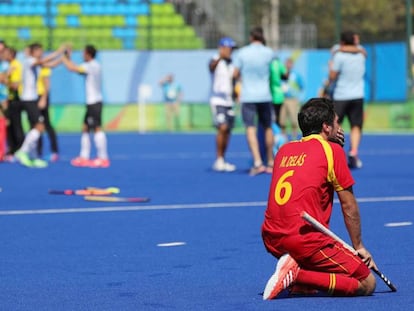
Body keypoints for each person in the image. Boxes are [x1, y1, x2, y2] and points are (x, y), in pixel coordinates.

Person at [261, 97, 377, 300]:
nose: (340, 128)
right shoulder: (332, 151)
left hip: (272, 239)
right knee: (367, 283)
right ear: (326, 127)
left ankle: (298, 269)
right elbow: (348, 205)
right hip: (303, 241)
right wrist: (358, 247)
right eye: (337, 122)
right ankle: (298, 275)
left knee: (327, 268)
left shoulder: (284, 151)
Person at [14, 43, 63, 168]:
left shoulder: (36, 62)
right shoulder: (29, 61)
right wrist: (58, 52)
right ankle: (23, 151)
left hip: (32, 98)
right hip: (29, 99)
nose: (40, 53)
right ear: (32, 52)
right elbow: (44, 61)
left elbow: (50, 64)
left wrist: (62, 59)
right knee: (40, 126)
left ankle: (34, 156)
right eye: (38, 51)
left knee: (34, 127)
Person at [233, 27, 274, 176]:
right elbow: (275, 72)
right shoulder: (269, 52)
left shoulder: (242, 53)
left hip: (249, 96)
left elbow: (235, 73)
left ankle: (257, 162)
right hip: (265, 95)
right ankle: (270, 161)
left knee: (250, 128)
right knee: (268, 127)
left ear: (251, 38)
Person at [62, 44, 110, 168]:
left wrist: (64, 58)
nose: (82, 55)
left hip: (95, 102)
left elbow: (73, 68)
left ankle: (103, 157)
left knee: (97, 128)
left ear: (89, 54)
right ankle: (84, 156)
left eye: (83, 53)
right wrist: (68, 57)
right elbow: (77, 68)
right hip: (91, 102)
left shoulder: (92, 65)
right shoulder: (92, 65)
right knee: (85, 127)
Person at [329, 30, 366, 169]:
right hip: (357, 95)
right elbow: (359, 49)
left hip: (341, 95)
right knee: (356, 126)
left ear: (342, 42)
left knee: (335, 124)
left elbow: (332, 76)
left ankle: (335, 153)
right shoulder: (361, 52)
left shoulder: (338, 54)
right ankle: (353, 151)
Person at [209, 37, 237, 172]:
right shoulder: (215, 60)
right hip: (218, 101)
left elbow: (234, 81)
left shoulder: (231, 64)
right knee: (222, 127)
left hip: (229, 102)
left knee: (228, 131)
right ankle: (218, 158)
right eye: (229, 48)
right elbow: (211, 67)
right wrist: (220, 56)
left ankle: (223, 158)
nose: (231, 51)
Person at [36, 60, 61, 162]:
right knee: (38, 124)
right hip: (36, 97)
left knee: (45, 124)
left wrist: (44, 98)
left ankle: (54, 151)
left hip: (42, 97)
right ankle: (38, 151)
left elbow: (47, 83)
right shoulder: (35, 66)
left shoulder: (43, 67)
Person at [280, 58, 304, 140]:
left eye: (290, 64)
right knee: (282, 121)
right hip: (282, 99)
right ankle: (284, 139)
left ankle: (294, 138)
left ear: (292, 65)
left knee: (294, 120)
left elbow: (301, 86)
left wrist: (295, 94)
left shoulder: (296, 75)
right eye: (287, 63)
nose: (288, 65)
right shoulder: (281, 74)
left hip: (292, 100)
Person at [269, 56, 288, 153]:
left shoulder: (268, 63)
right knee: (277, 119)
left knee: (270, 121)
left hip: (268, 95)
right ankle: (279, 139)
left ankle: (276, 140)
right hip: (278, 95)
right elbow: (285, 76)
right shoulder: (279, 64)